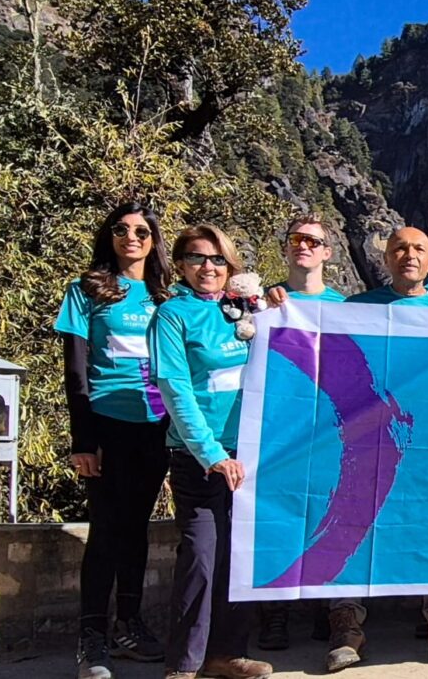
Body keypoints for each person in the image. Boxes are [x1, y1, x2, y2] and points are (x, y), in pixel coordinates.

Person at [329, 226, 428, 670]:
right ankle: (346, 628)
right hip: (363, 442)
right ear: (386, 257)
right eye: (399, 248)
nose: (408, 255)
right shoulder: (355, 310)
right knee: (350, 525)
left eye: (418, 249)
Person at [148, 225, 272, 679]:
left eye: (218, 260)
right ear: (180, 264)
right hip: (200, 460)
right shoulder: (171, 317)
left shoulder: (243, 310)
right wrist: (211, 454)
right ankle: (183, 664)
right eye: (198, 258)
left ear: (231, 267)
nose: (208, 267)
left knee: (240, 558)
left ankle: (227, 653)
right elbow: (175, 390)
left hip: (252, 455)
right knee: (202, 557)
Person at [56, 202, 173, 679]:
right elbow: (76, 371)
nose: (132, 237)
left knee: (136, 527)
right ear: (109, 236)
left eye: (142, 231)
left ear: (153, 239)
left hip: (158, 424)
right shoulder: (87, 292)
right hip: (107, 421)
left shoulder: (167, 295)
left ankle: (128, 625)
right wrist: (83, 439)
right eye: (122, 229)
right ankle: (92, 640)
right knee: (106, 530)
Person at [257, 218, 347, 653]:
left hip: (328, 434)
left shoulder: (346, 307)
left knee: (324, 520)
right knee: (279, 520)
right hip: (277, 431)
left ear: (328, 252)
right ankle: (274, 615)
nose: (304, 247)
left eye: (314, 241)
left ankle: (323, 612)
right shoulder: (264, 302)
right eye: (296, 240)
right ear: (286, 249)